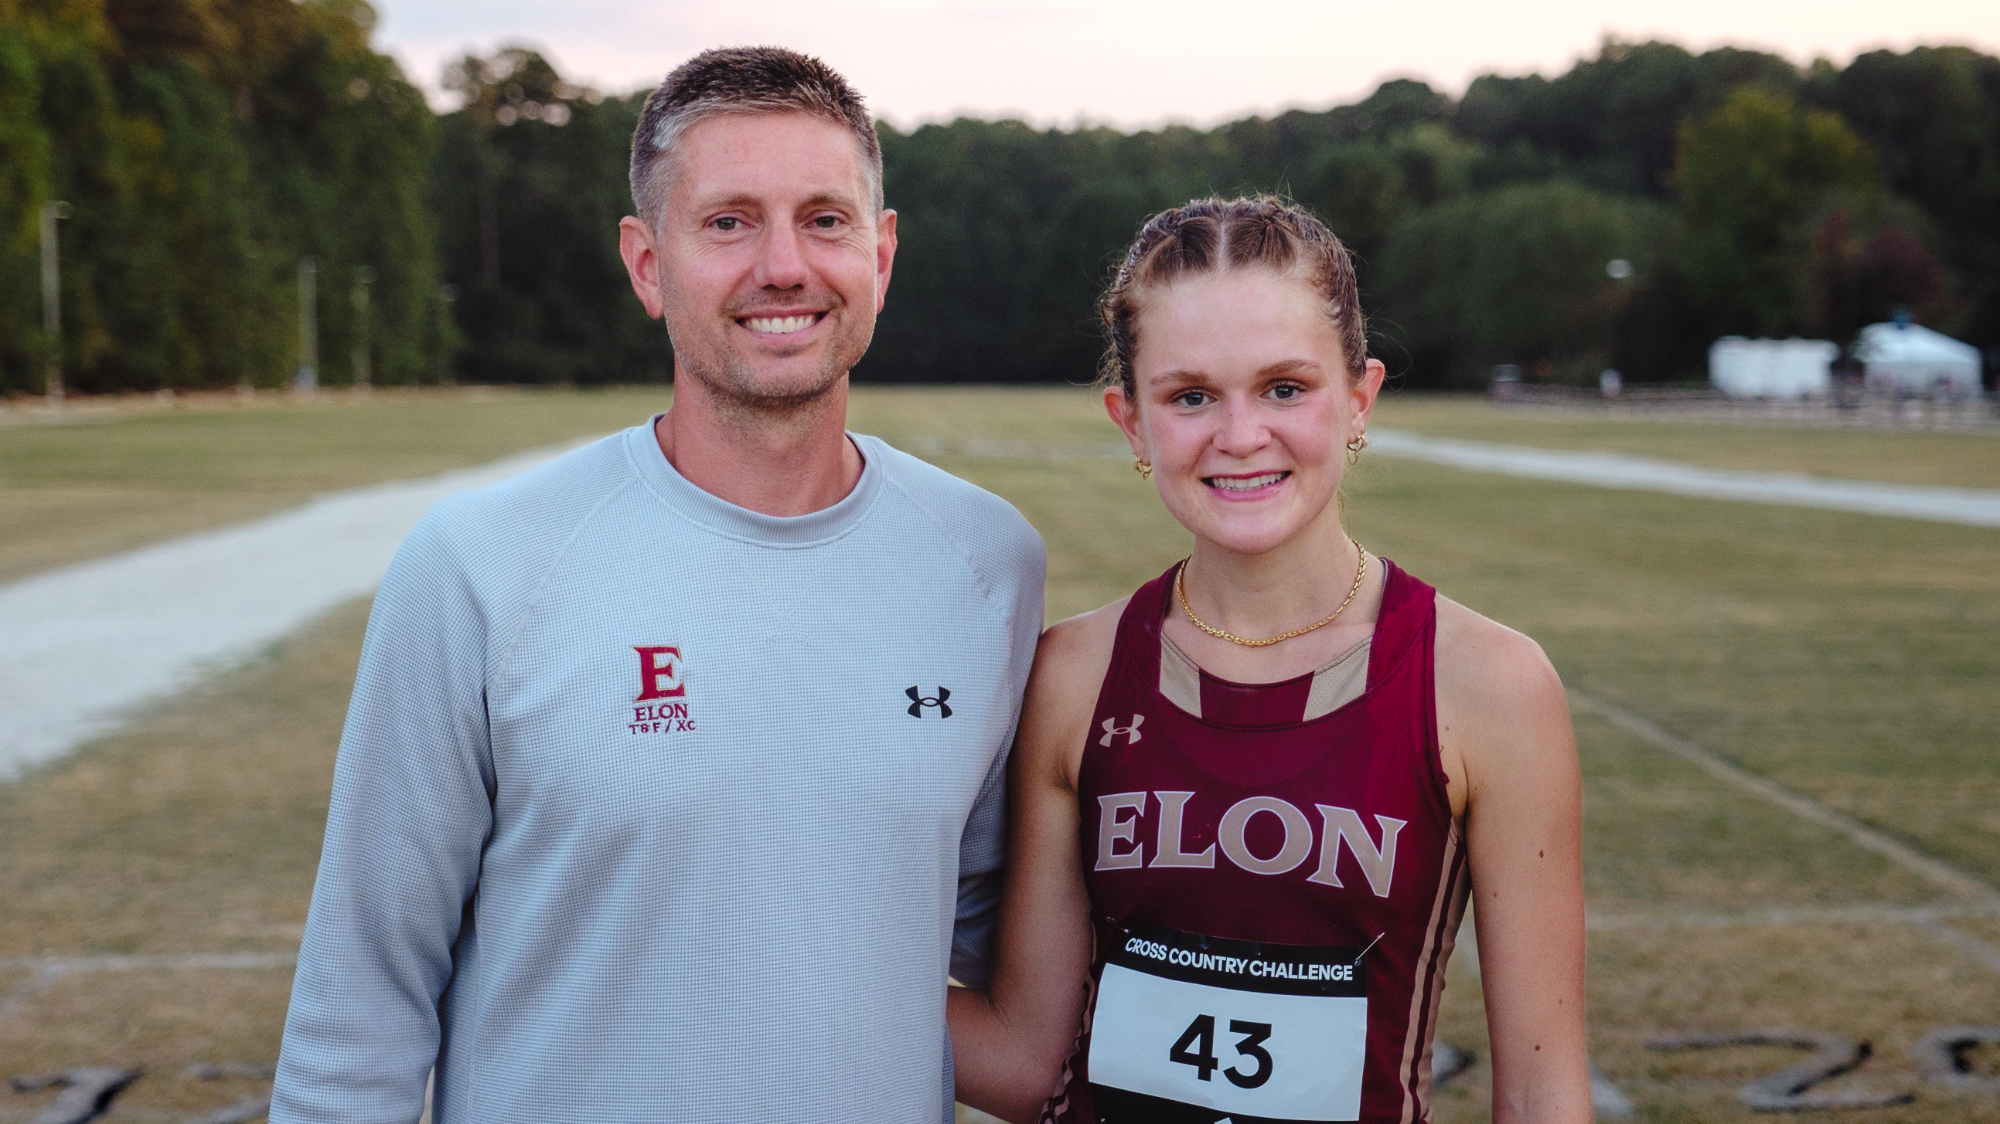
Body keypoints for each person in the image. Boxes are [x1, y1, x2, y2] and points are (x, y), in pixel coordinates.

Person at [271, 47, 1045, 1124]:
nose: (783, 265)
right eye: (728, 222)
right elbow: (360, 1003)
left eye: (823, 219)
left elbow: (996, 936)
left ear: (881, 253)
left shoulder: (986, 560)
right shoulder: (482, 562)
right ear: (646, 263)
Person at [948, 197, 1589, 1124]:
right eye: (1191, 396)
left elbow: (1541, 1097)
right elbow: (1025, 1059)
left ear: (1359, 399)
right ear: (1131, 422)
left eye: (1285, 388)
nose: (1240, 436)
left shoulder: (1487, 686)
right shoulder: (1075, 673)